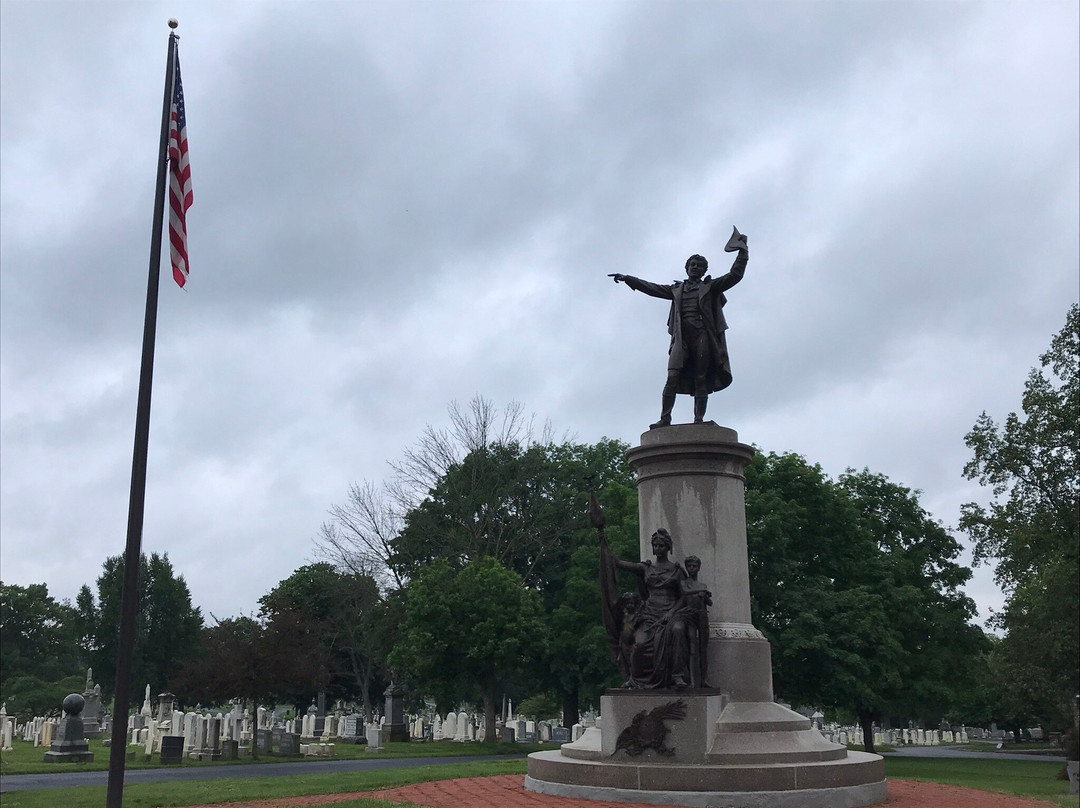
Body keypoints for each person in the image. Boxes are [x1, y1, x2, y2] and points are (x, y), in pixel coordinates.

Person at [609, 233, 748, 427]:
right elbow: (652, 288)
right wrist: (628, 279)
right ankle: (665, 418)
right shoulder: (676, 289)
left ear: (704, 270)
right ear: (687, 267)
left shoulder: (711, 287)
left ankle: (698, 420)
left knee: (701, 377)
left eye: (699, 266)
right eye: (693, 265)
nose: (695, 268)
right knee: (672, 376)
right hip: (682, 337)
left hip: (702, 334)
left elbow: (735, 276)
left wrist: (743, 252)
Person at [608, 529, 693, 689]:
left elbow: (684, 597)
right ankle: (636, 679)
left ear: (668, 547)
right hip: (650, 615)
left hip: (671, 613)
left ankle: (678, 676)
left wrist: (671, 612)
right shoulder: (646, 568)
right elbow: (621, 564)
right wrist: (605, 548)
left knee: (678, 630)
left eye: (661, 545)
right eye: (655, 545)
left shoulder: (677, 571)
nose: (658, 548)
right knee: (639, 644)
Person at [681, 556, 712, 688]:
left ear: (698, 568)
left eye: (694, 566)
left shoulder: (702, 586)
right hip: (690, 617)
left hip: (702, 616)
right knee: (692, 649)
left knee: (703, 650)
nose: (692, 569)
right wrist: (702, 591)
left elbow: (710, 602)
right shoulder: (685, 583)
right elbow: (685, 591)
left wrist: (704, 596)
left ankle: (703, 680)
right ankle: (693, 681)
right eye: (689, 566)